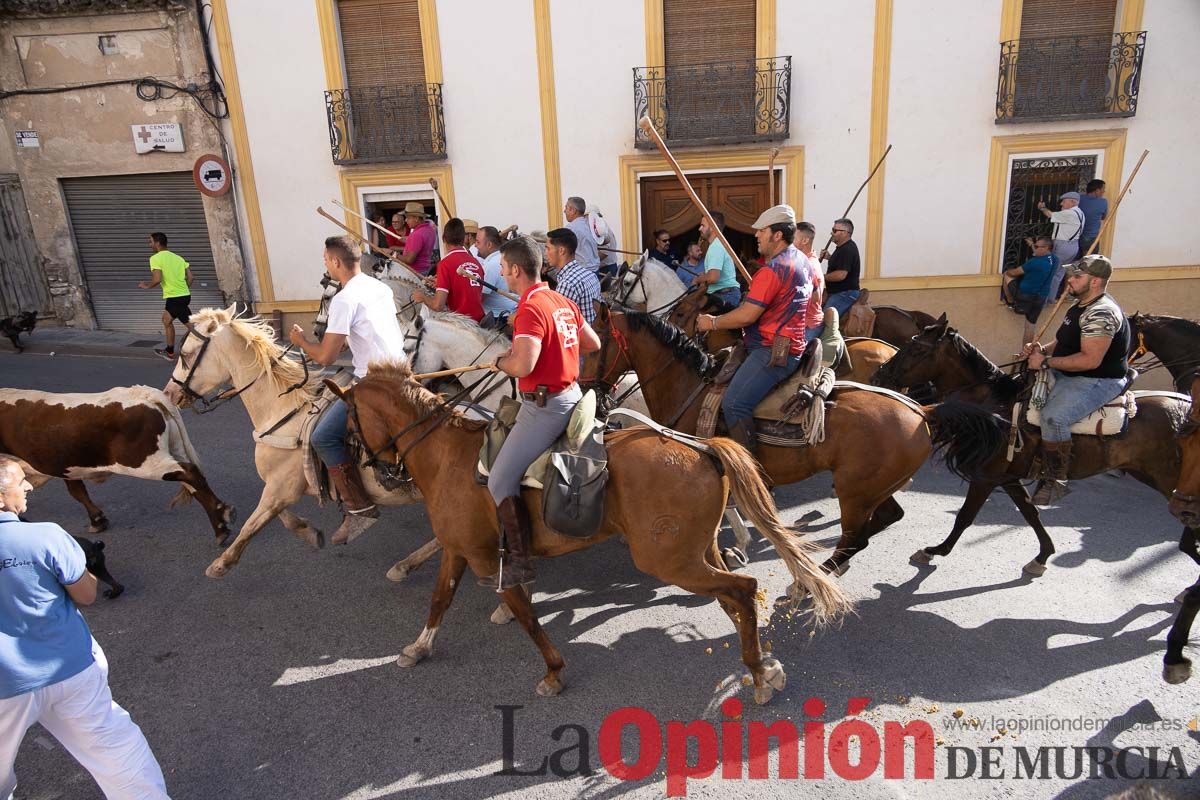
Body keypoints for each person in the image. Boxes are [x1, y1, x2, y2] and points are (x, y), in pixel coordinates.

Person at [0, 456, 170, 799]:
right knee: (117, 751)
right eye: (20, 482)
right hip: (71, 667)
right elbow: (87, 594)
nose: (30, 486)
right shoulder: (46, 535)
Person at [483, 236, 601, 590]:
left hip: (546, 408)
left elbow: (522, 365)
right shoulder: (560, 300)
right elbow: (592, 343)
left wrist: (500, 362)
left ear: (516, 270)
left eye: (503, 269)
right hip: (573, 394)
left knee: (499, 480)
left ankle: (521, 565)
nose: (502, 275)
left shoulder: (531, 308)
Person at [289, 235, 406, 544]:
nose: (326, 264)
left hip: (374, 382)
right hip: (402, 371)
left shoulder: (344, 298)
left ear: (336, 262)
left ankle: (359, 509)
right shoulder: (380, 287)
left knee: (322, 436)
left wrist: (301, 342)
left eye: (326, 260)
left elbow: (326, 357)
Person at [696, 205, 811, 453]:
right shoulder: (801, 260)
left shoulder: (772, 270)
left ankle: (751, 472)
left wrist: (712, 322)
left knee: (734, 403)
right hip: (790, 343)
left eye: (761, 231)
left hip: (772, 349)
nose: (756, 235)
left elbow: (747, 315)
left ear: (777, 235)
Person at [1022, 255, 1130, 505]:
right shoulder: (1081, 304)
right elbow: (1064, 342)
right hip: (1070, 370)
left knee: (1054, 417)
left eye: (1077, 276)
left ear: (1095, 281)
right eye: (1071, 275)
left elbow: (1089, 360)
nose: (1069, 280)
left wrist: (1045, 363)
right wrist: (1043, 350)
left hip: (1095, 379)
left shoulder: (1101, 313)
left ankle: (1057, 479)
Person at [411, 218, 485, 322]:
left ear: (443, 239)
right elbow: (468, 288)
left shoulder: (445, 264)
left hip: (462, 324)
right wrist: (441, 283)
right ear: (463, 239)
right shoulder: (476, 262)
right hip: (480, 320)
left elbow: (438, 306)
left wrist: (422, 297)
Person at [138, 232, 193, 360]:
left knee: (193, 328)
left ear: (157, 243)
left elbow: (157, 279)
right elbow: (191, 277)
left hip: (175, 297)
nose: (149, 244)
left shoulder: (155, 258)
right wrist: (183, 289)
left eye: (150, 242)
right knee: (166, 320)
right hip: (183, 295)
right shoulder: (178, 258)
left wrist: (146, 285)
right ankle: (169, 351)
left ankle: (211, 343)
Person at [1004, 235, 1060, 345]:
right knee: (1030, 325)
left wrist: (1009, 270)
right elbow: (1038, 254)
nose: (1035, 247)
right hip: (1041, 298)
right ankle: (1025, 354)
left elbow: (1014, 273)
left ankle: (1010, 302)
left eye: (1037, 246)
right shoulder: (1055, 260)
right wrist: (1032, 246)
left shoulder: (1034, 262)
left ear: (1046, 248)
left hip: (1025, 296)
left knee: (1006, 275)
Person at [545, 228, 602, 325]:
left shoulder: (567, 284)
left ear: (561, 251)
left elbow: (558, 324)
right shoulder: (590, 274)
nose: (545, 253)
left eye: (548, 248)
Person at [697, 211, 741, 310]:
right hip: (724, 294)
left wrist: (699, 279)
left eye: (702, 225)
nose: (699, 229)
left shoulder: (716, 247)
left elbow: (713, 278)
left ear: (712, 227)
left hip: (725, 295)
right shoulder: (716, 245)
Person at [820, 218, 860, 318]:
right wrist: (830, 258)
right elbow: (842, 264)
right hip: (836, 292)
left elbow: (841, 275)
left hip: (844, 293)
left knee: (824, 321)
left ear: (845, 233)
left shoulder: (847, 249)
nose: (831, 233)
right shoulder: (842, 248)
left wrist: (819, 276)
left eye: (834, 230)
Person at [793, 221, 825, 343]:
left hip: (808, 324)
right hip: (800, 322)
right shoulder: (802, 261)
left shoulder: (809, 265)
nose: (789, 242)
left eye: (793, 238)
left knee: (792, 357)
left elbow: (814, 298)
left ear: (805, 241)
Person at [477, 225, 517, 319]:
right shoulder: (504, 257)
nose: (475, 245)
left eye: (478, 242)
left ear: (489, 245)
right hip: (510, 311)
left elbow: (480, 298)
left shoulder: (491, 265)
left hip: (500, 317)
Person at [1037, 191, 1085, 268]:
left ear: (1072, 202)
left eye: (1064, 201)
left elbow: (1050, 215)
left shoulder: (1070, 213)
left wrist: (1042, 208)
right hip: (1073, 245)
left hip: (1064, 246)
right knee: (1061, 270)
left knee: (1053, 269)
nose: (1061, 204)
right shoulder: (1080, 213)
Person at [395, 201, 437, 274]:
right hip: (425, 270)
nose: (406, 220)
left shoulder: (416, 235)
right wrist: (409, 240)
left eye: (408, 217)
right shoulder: (430, 229)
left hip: (415, 273)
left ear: (416, 218)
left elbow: (409, 260)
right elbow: (422, 242)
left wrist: (395, 254)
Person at [563, 196, 600, 272]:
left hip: (582, 271)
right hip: (595, 270)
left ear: (573, 210)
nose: (564, 211)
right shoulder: (590, 225)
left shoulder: (570, 229)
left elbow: (563, 252)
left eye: (566, 208)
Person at [1076, 179, 1108, 258]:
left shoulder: (1079, 199)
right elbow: (1104, 217)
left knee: (1077, 261)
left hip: (1077, 236)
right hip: (1092, 237)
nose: (1104, 191)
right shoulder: (1103, 202)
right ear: (1097, 190)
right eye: (1103, 189)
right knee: (1091, 262)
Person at [587, 203, 620, 278]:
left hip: (606, 268)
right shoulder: (599, 226)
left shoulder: (600, 228)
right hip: (608, 267)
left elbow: (604, 252)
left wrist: (588, 262)